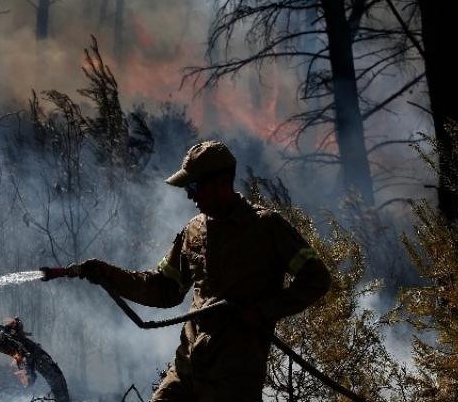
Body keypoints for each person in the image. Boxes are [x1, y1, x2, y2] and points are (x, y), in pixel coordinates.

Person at [41, 140, 331, 401]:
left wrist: (263, 310)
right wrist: (107, 274)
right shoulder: (194, 231)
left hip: (233, 381)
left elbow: (316, 278)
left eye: (194, 188)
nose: (190, 197)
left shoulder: (267, 227)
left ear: (220, 184)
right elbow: (164, 289)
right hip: (187, 368)